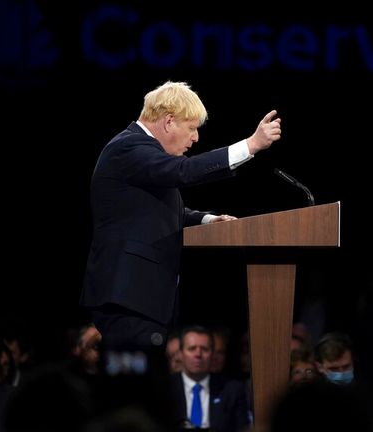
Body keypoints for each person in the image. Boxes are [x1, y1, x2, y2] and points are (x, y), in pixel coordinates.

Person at [80, 81, 282, 354]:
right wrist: (251, 145)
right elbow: (184, 171)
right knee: (133, 394)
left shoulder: (140, 155)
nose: (196, 138)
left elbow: (159, 212)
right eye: (192, 128)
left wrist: (207, 220)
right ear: (168, 122)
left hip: (139, 298)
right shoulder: (127, 148)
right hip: (127, 299)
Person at [169, 326, 249, 432]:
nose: (198, 354)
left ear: (212, 354)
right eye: (192, 349)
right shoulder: (164, 388)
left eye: (204, 349)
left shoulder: (232, 390)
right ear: (181, 353)